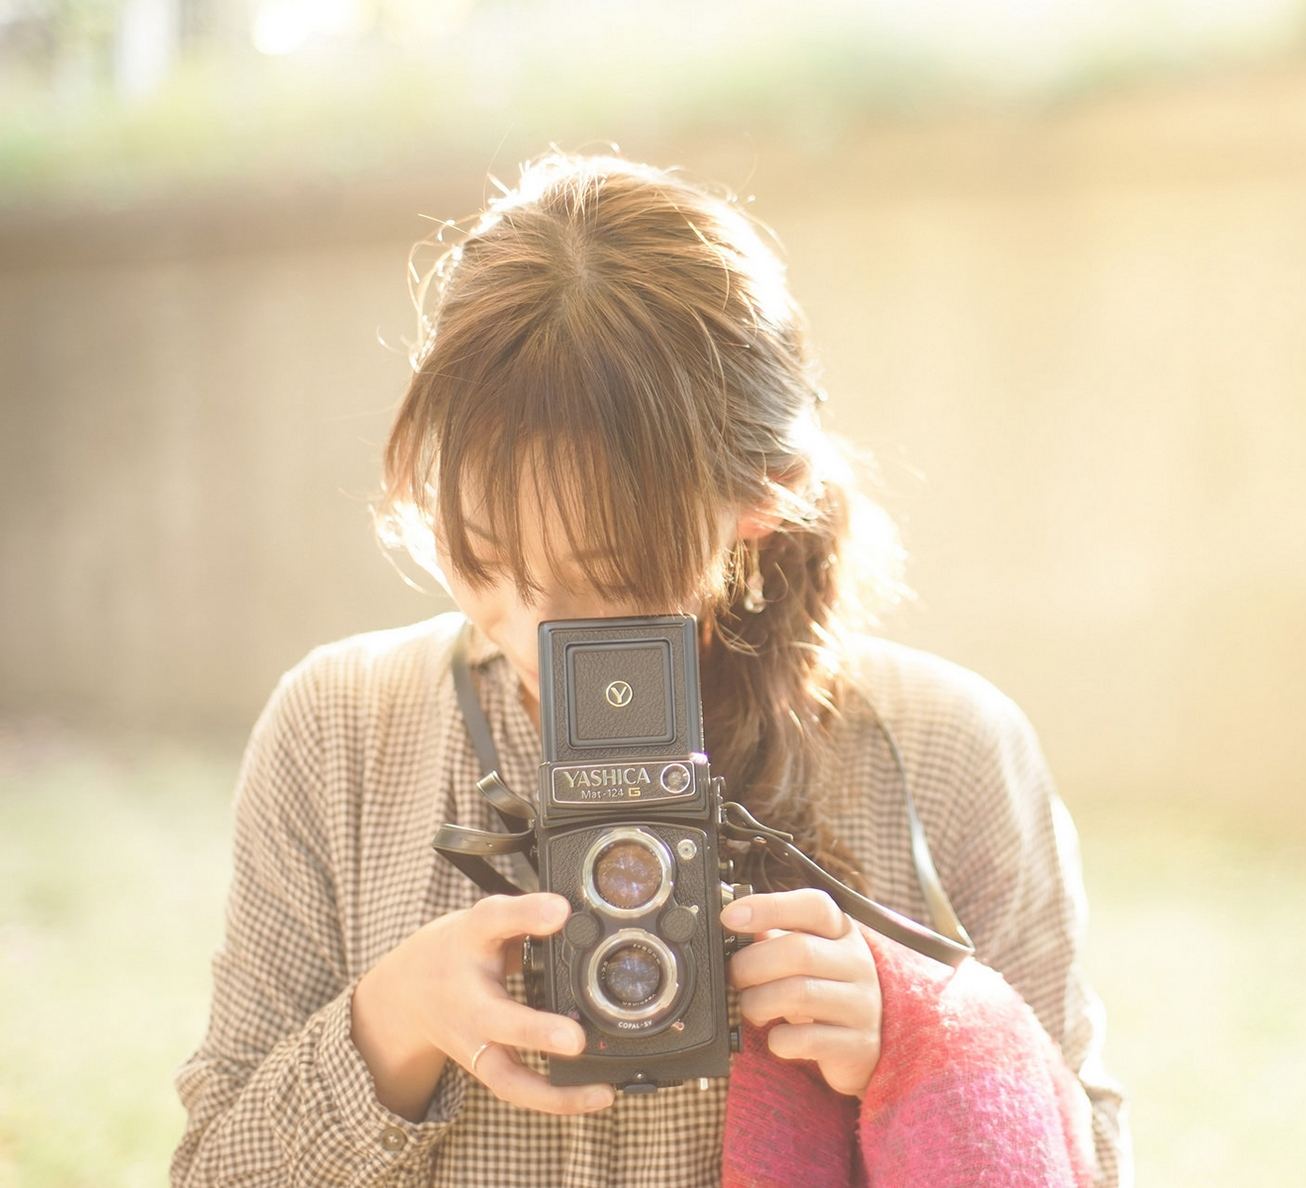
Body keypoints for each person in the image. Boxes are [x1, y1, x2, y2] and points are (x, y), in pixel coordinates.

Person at [170, 150, 1130, 1185]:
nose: (535, 628)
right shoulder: (341, 731)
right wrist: (391, 1021)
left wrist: (914, 1038)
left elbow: (1094, 1158)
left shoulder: (942, 748)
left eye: (609, 575)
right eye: (482, 557)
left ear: (760, 499)